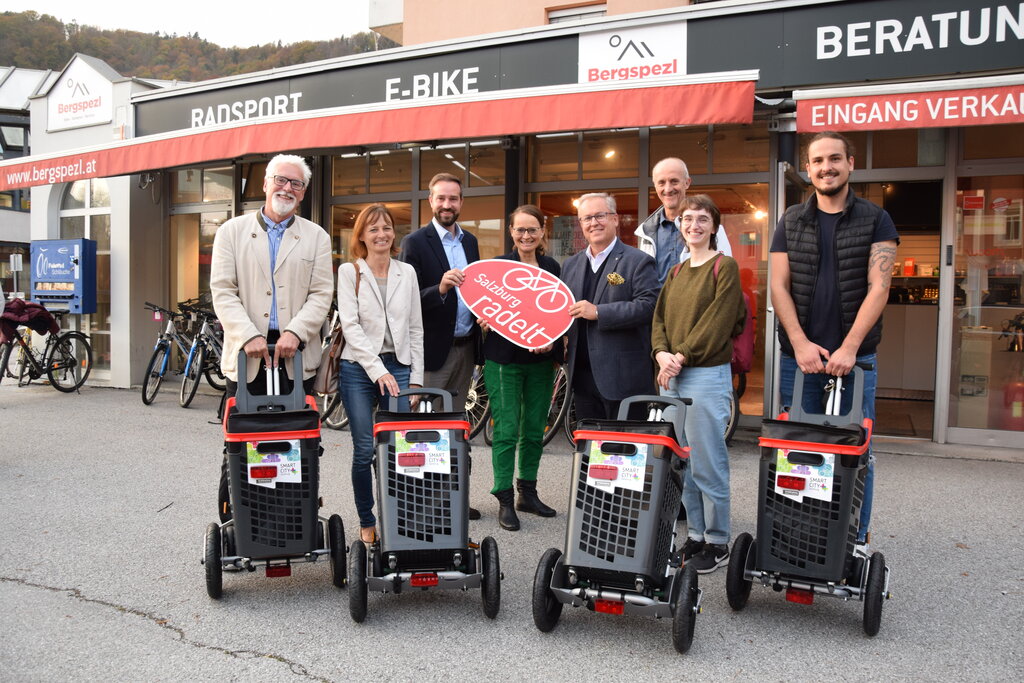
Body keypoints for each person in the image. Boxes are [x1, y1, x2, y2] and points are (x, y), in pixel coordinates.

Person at [769, 131, 899, 548]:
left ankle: (855, 538)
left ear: (850, 164)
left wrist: (850, 348)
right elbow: (777, 286)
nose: (826, 167)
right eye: (818, 160)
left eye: (834, 159)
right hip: (798, 359)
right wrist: (801, 343)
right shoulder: (791, 219)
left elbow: (879, 288)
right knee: (799, 445)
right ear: (808, 169)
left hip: (855, 360)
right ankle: (800, 531)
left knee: (855, 448)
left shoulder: (876, 219)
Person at [652, 194, 746, 574]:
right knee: (684, 460)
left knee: (708, 461)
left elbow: (719, 320)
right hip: (671, 374)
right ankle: (696, 535)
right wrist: (661, 353)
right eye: (687, 219)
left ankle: (718, 540)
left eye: (702, 219)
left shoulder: (725, 267)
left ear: (714, 227)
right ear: (680, 226)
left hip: (703, 373)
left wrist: (681, 355)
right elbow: (658, 319)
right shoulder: (676, 271)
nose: (694, 225)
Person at [211, 153, 333, 397]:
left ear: (302, 193)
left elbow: (321, 294)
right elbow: (223, 291)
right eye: (280, 180)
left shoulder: (317, 237)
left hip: (296, 355)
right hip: (247, 354)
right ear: (266, 184)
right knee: (246, 433)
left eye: (296, 183)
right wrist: (249, 335)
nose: (287, 188)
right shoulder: (230, 232)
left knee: (295, 433)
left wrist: (295, 333)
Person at [337, 204, 424, 545]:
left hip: (400, 366)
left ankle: (398, 514)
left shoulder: (407, 273)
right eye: (373, 229)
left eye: (386, 227)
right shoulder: (350, 272)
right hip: (358, 369)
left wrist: (415, 378)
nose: (381, 234)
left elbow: (415, 328)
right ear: (361, 235)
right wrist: (377, 371)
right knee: (364, 449)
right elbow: (351, 326)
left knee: (397, 448)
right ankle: (367, 517)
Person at [400, 172, 482, 519]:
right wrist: (442, 289)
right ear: (430, 201)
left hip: (466, 348)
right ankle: (421, 502)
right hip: (434, 351)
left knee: (455, 426)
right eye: (441, 198)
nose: (447, 205)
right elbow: (405, 298)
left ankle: (453, 498)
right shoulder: (415, 242)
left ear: (461, 202)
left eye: (454, 199)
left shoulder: (471, 242)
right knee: (424, 428)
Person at [479, 205, 561, 530]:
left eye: (533, 229)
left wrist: (553, 340)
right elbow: (482, 307)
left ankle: (528, 491)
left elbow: (560, 312)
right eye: (520, 230)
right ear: (511, 232)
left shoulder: (552, 266)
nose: (526, 236)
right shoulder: (499, 267)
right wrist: (484, 319)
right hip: (504, 360)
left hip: (541, 361)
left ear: (543, 232)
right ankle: (503, 497)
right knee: (507, 429)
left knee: (534, 429)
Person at [562, 193, 660, 421]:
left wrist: (598, 312)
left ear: (615, 219)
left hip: (623, 378)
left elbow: (649, 306)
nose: (593, 223)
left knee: (624, 450)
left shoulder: (638, 261)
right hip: (582, 377)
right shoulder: (570, 265)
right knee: (590, 447)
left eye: (600, 215)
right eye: (587, 218)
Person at [636, 157, 733, 284]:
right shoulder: (646, 231)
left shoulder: (711, 228)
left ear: (687, 183)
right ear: (655, 186)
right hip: (657, 304)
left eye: (674, 181)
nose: (668, 189)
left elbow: (723, 276)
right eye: (661, 183)